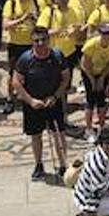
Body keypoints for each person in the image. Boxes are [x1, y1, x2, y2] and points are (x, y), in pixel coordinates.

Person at [13, 26, 70, 181]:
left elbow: (66, 77)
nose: (40, 43)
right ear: (32, 42)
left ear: (48, 40)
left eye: (43, 40)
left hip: (53, 102)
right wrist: (31, 101)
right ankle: (38, 165)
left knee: (59, 134)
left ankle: (63, 165)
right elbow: (16, 82)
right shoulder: (25, 59)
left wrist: (56, 96)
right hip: (33, 104)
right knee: (36, 135)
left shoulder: (57, 56)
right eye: (36, 40)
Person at [80, 22, 109, 139]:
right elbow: (84, 63)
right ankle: (88, 128)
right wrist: (93, 79)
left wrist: (102, 78)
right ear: (100, 33)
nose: (106, 36)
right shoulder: (91, 44)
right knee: (90, 98)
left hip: (103, 71)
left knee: (101, 98)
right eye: (104, 33)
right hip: (88, 71)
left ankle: (101, 126)